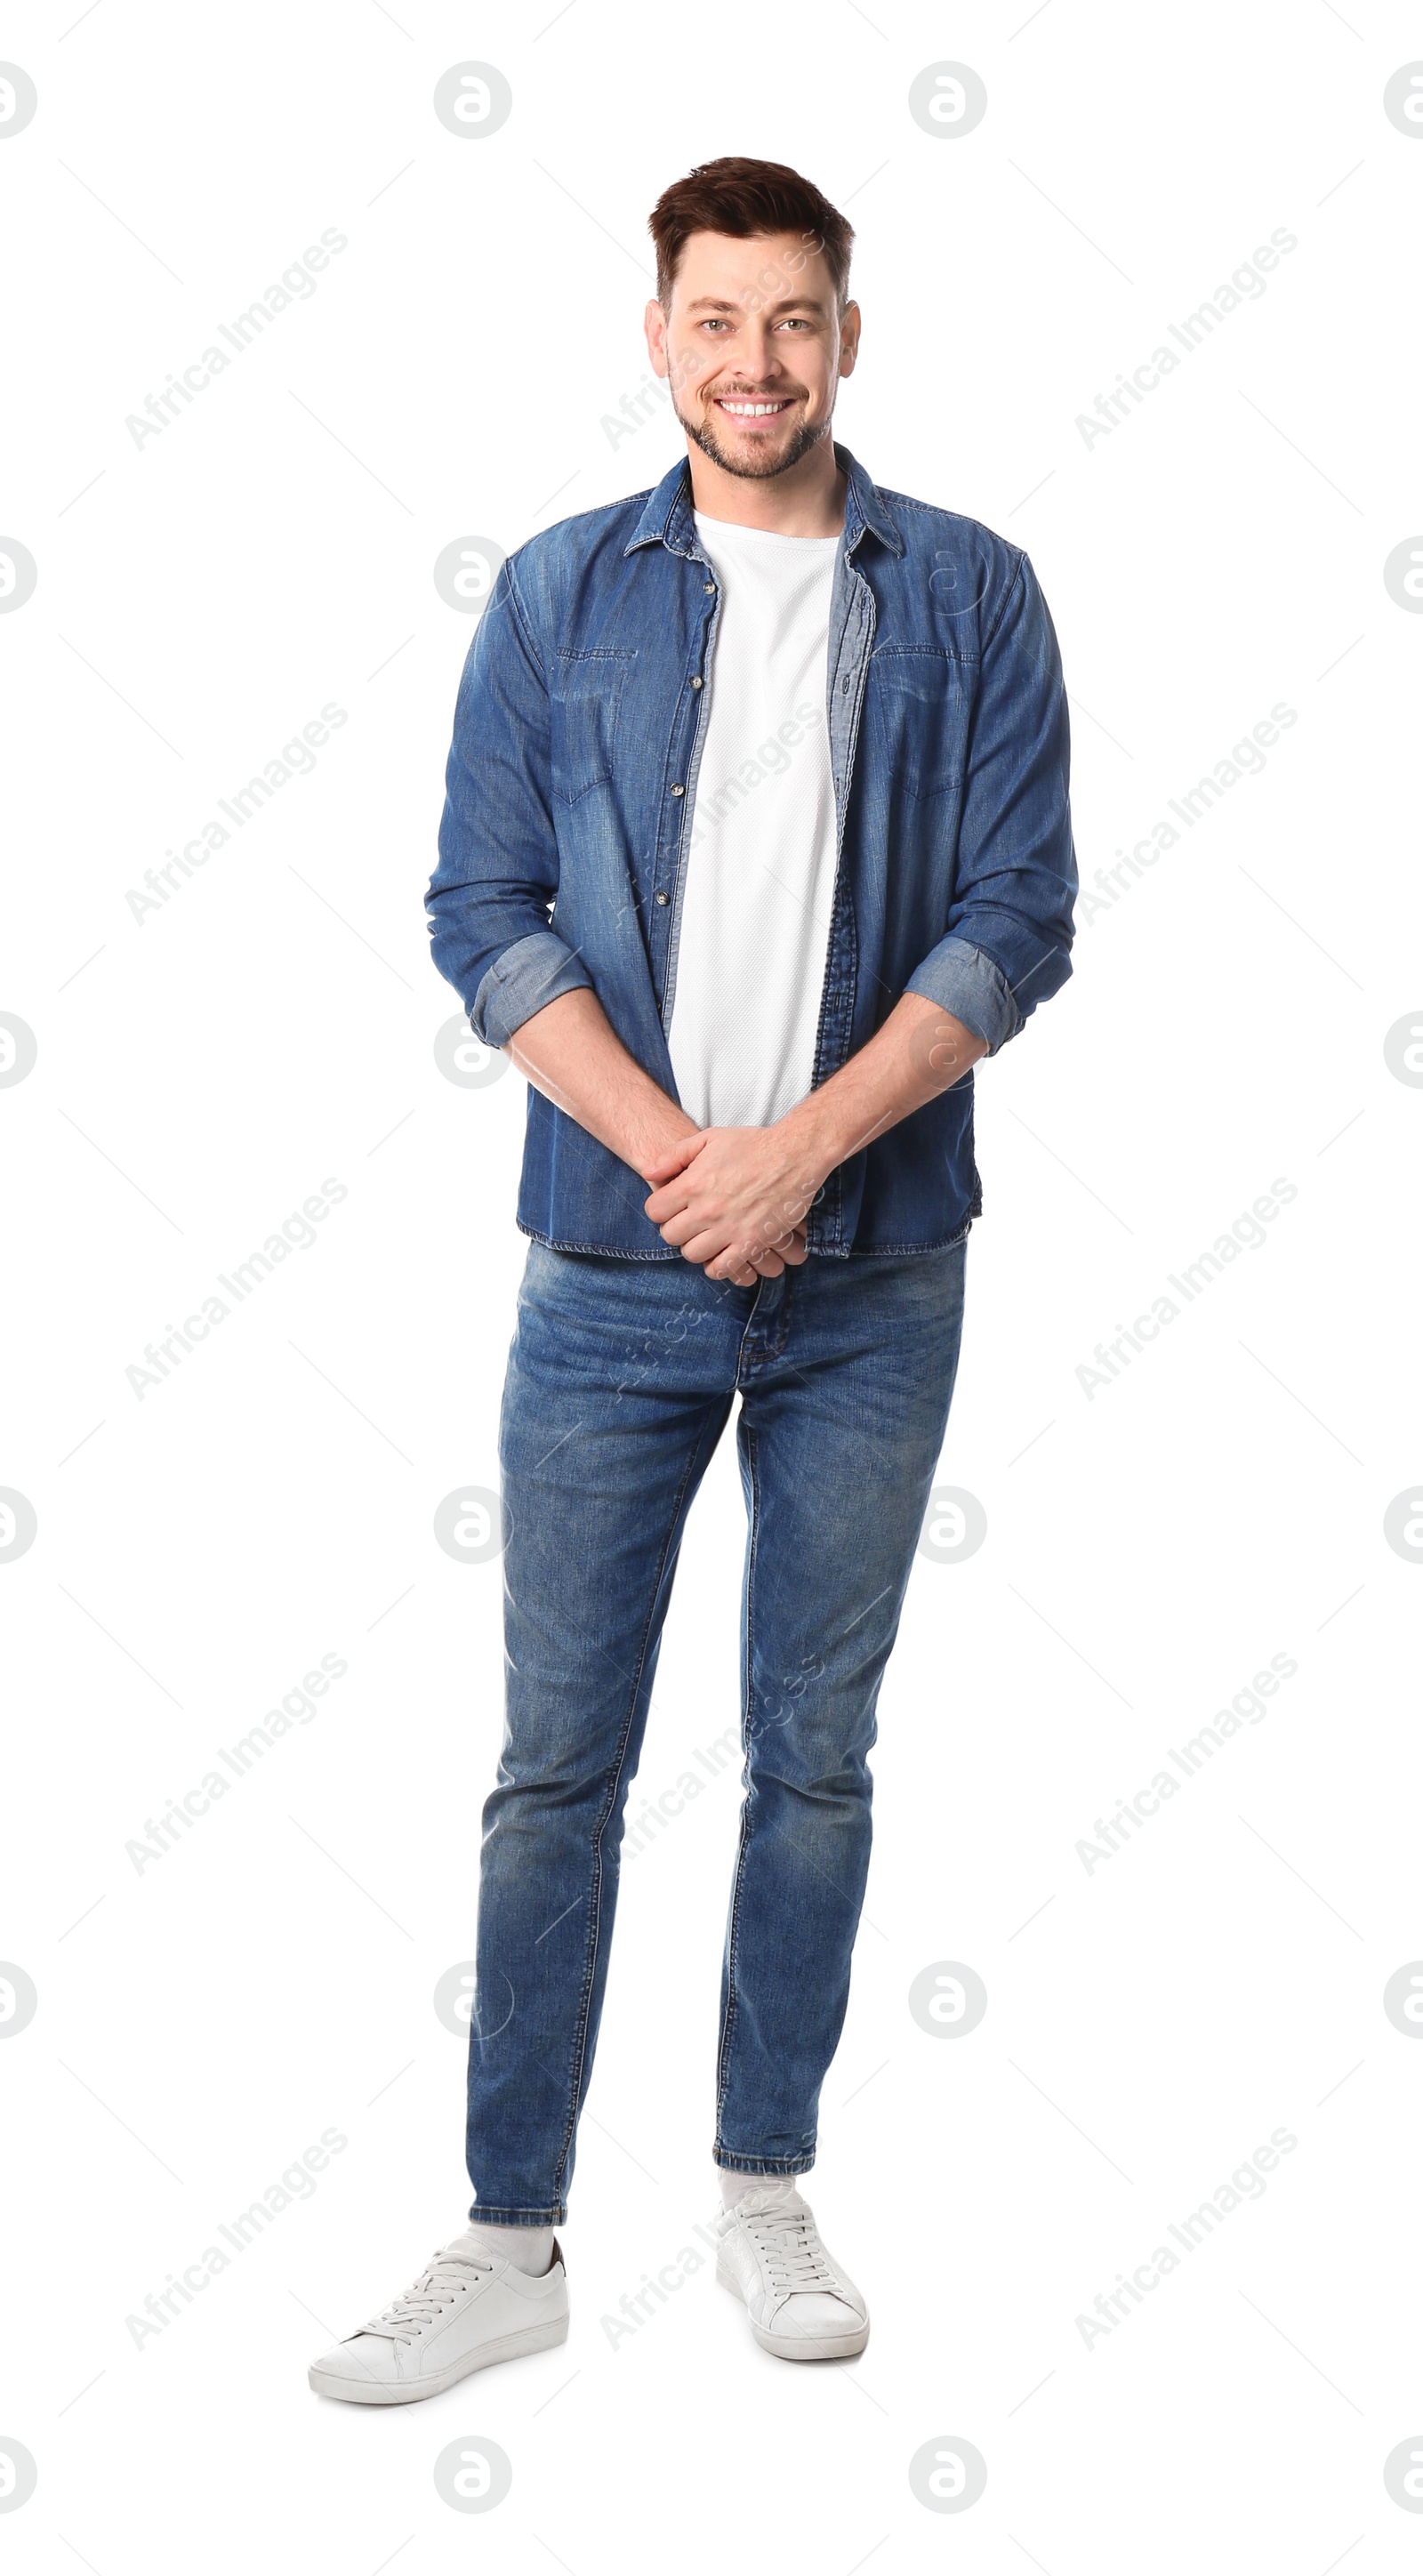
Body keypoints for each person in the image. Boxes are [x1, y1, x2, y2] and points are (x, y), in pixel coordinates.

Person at [308, 153, 1076, 2406]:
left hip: (875, 1267)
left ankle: (760, 2184)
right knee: (557, 1762)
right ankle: (509, 2230)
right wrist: (677, 1164)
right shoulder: (557, 598)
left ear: (850, 337)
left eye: (796, 320)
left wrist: (803, 1156)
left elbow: (1014, 913)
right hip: (610, 1258)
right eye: (714, 320)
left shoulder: (970, 594)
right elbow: (477, 908)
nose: (756, 363)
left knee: (809, 1757)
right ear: (656, 339)